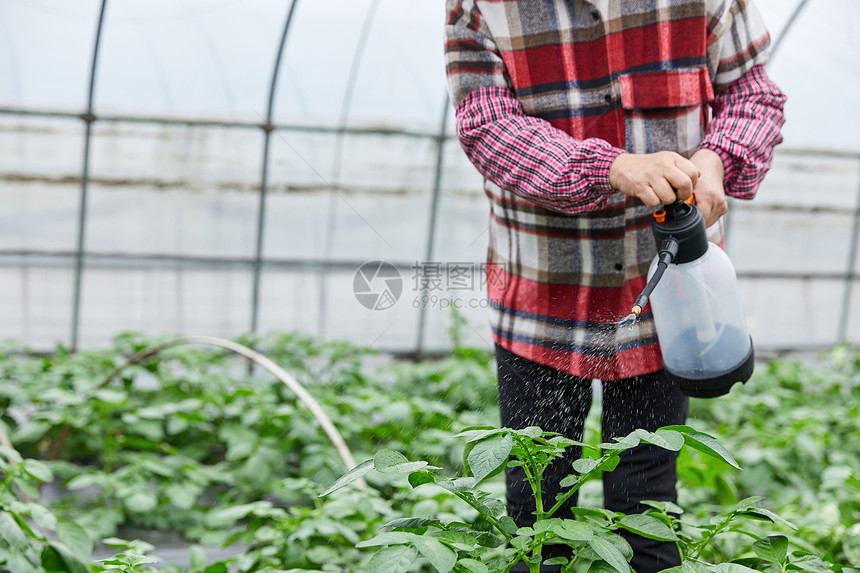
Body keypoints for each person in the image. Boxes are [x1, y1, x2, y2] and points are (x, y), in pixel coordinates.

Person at [444, 1, 786, 571]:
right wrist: (610, 167)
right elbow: (487, 125)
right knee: (539, 513)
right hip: (542, 289)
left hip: (670, 295)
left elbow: (753, 93)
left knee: (647, 504)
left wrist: (718, 159)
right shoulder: (484, 5)